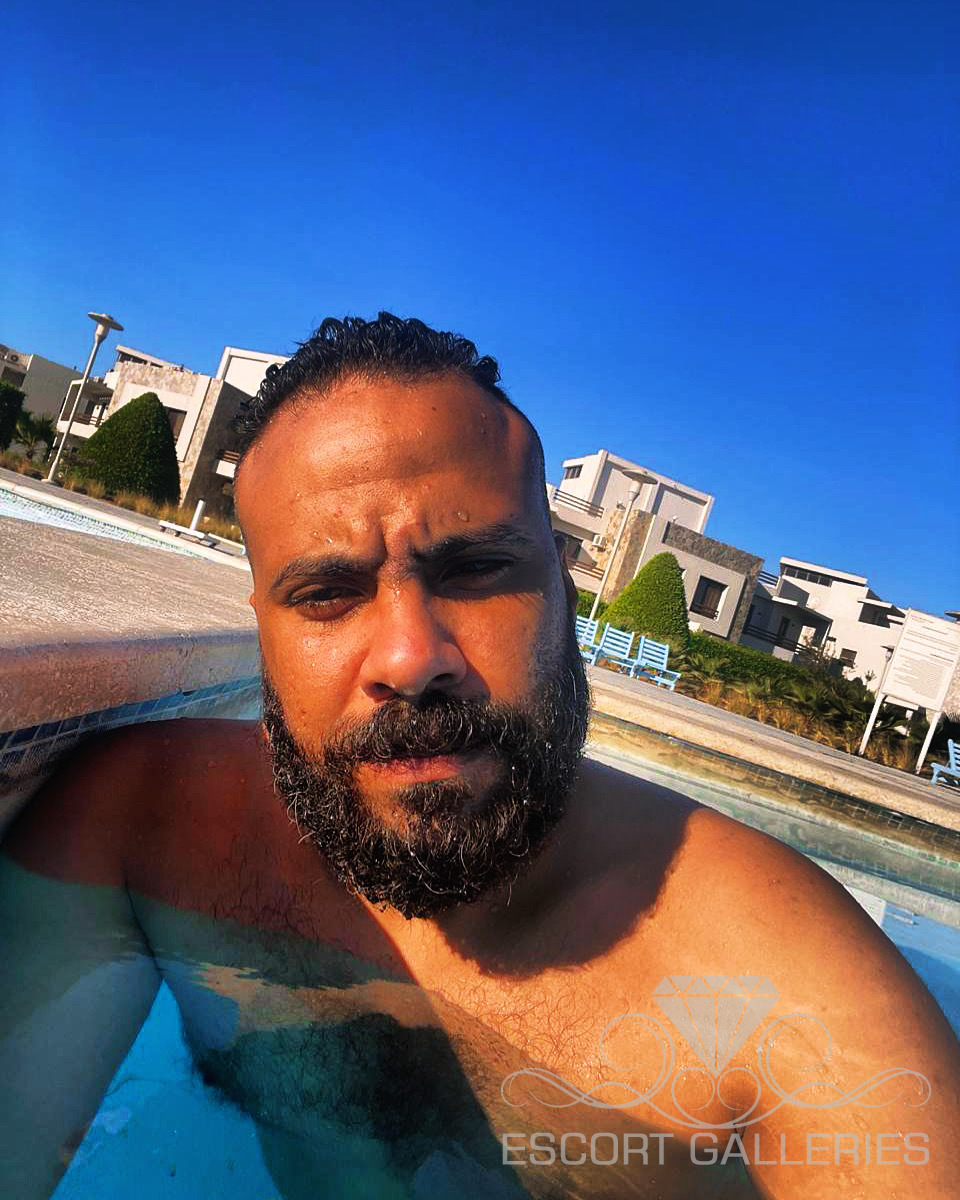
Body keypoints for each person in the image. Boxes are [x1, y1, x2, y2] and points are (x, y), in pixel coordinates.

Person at [1, 313, 957, 1200]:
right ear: (263, 628)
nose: (411, 658)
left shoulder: (793, 989)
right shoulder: (143, 825)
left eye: (475, 570)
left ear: (564, 598)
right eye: (327, 593)